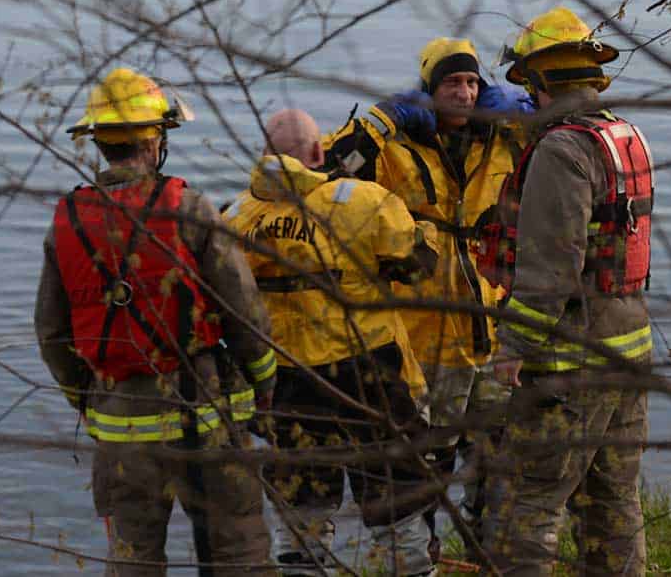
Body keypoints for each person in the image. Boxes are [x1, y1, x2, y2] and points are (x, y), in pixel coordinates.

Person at [35, 67, 279, 577]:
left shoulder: (68, 221)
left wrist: (87, 398)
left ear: (98, 142)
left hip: (119, 427)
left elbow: (52, 334)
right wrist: (264, 385)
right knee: (238, 555)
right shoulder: (189, 209)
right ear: (154, 141)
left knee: (133, 560)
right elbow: (244, 313)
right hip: (204, 417)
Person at [322, 38, 532, 558]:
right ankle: (426, 558)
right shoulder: (396, 148)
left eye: (472, 83)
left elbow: (563, 145)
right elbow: (328, 174)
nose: (464, 93)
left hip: (490, 327)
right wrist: (380, 120)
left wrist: (526, 110)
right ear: (428, 90)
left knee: (499, 455)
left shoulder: (500, 139)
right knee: (426, 461)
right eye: (451, 83)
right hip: (422, 335)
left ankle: (492, 555)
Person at [225, 109, 441, 576]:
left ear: (264, 154)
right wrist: (427, 231)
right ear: (318, 152)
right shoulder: (365, 200)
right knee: (397, 498)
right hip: (368, 373)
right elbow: (417, 266)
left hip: (285, 380)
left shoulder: (237, 216)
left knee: (301, 505)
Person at [482, 8, 655, 577]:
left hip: (570, 362)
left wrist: (513, 347)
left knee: (528, 503)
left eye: (529, 86)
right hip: (629, 348)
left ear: (542, 81)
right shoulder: (625, 137)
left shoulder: (561, 150)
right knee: (613, 502)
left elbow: (552, 268)